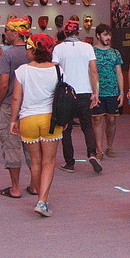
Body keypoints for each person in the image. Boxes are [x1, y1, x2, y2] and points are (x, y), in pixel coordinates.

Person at [9, 33, 62, 217]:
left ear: (33, 49)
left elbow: (16, 98)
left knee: (35, 162)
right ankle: (42, 201)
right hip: (50, 119)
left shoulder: (22, 70)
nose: (26, 50)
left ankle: (41, 198)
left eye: (28, 47)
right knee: (49, 162)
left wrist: (13, 120)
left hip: (28, 119)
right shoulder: (57, 69)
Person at [52, 18, 102, 173]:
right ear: (78, 31)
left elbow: (55, 71)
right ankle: (92, 153)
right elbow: (93, 71)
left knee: (65, 128)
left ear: (65, 32)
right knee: (87, 125)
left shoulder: (58, 49)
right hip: (84, 91)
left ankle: (70, 163)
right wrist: (95, 92)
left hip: (66, 93)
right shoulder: (87, 47)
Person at [0, 17, 34, 198]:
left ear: (16, 33)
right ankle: (35, 185)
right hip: (31, 106)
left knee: (12, 146)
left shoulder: (8, 55)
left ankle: (15, 187)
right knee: (32, 147)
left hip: (11, 105)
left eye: (8, 30)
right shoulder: (32, 53)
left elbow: (4, 83)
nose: (5, 33)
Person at [91, 24, 124, 158]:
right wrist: (92, 91)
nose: (108, 37)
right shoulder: (91, 52)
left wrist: (121, 92)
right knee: (97, 120)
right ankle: (99, 149)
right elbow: (89, 72)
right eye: (105, 35)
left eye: (109, 35)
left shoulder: (115, 53)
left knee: (111, 120)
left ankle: (109, 146)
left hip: (112, 92)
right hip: (97, 92)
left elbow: (119, 73)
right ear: (98, 35)